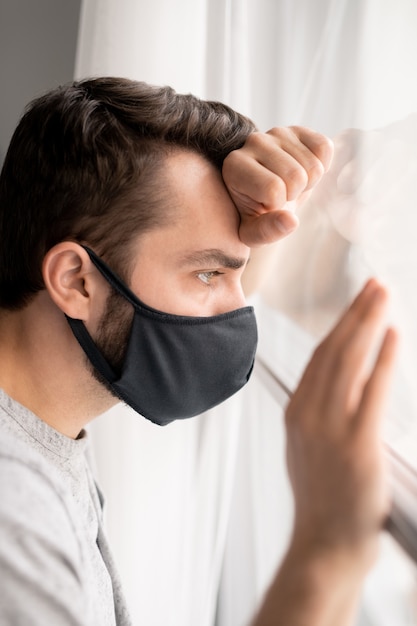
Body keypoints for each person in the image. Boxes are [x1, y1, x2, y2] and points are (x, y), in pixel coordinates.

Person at [0, 77, 397, 626]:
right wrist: (328, 547)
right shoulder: (12, 516)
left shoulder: (36, 435)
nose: (237, 313)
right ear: (76, 280)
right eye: (209, 273)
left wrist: (304, 195)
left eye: (237, 271)